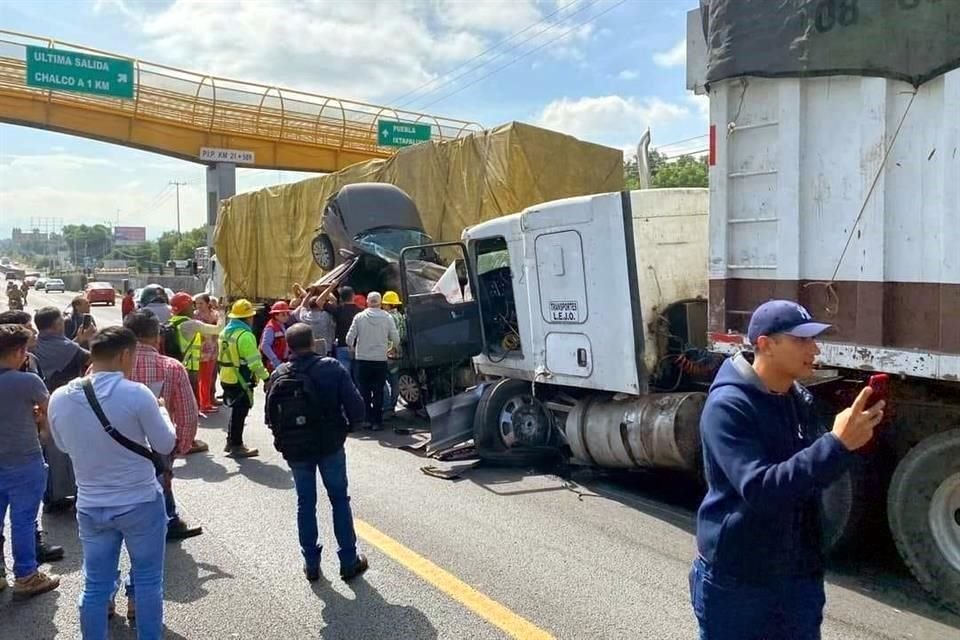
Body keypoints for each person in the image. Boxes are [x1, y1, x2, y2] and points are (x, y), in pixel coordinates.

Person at [691, 300, 886, 639]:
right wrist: (835, 444)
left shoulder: (796, 399)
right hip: (739, 580)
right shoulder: (727, 406)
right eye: (801, 340)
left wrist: (852, 443)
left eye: (814, 339)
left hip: (797, 577)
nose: (814, 348)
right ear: (766, 344)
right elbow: (761, 489)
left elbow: (807, 478)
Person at [48, 327, 175, 639]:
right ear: (124, 355)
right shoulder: (137, 394)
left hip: (91, 506)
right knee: (147, 581)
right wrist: (163, 411)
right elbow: (165, 443)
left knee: (95, 584)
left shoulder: (60, 397)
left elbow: (63, 446)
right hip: (140, 502)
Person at [264, 323, 368, 582]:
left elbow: (269, 418)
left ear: (288, 346)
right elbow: (356, 406)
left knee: (305, 503)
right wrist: (351, 427)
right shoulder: (331, 368)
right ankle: (348, 560)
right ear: (313, 342)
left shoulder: (279, 374)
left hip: (297, 450)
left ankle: (311, 563)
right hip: (329, 444)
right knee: (339, 500)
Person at [0, 324, 61, 600]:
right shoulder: (27, 382)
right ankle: (26, 575)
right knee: (23, 520)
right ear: (19, 352)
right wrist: (43, 429)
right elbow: (51, 411)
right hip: (24, 459)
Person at [31, 305, 94, 513]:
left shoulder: (31, 346)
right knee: (75, 450)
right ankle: (78, 494)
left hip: (39, 406)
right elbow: (92, 358)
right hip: (70, 404)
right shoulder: (69, 348)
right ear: (58, 324)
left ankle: (52, 496)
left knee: (48, 453)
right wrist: (88, 339)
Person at [218, 299, 270, 458]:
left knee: (235, 411)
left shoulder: (225, 331)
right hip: (241, 378)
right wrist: (266, 378)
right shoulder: (246, 335)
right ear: (248, 318)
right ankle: (237, 445)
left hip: (227, 377)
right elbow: (255, 362)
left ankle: (231, 441)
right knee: (240, 412)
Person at [345, 292, 399, 432]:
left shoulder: (359, 317)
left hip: (362, 359)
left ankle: (367, 419)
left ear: (368, 302)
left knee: (364, 391)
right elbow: (396, 338)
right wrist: (391, 348)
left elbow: (349, 338)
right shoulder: (387, 317)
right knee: (378, 390)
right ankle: (377, 422)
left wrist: (352, 348)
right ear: (380, 302)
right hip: (380, 359)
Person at [169, 292, 221, 431]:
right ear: (185, 308)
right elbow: (218, 329)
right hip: (190, 366)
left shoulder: (172, 322)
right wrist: (222, 313)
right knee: (191, 403)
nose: (194, 309)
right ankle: (189, 438)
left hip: (175, 365)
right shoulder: (191, 324)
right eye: (192, 306)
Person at [193, 293, 221, 412]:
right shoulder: (194, 315)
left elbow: (219, 329)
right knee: (201, 379)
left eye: (201, 303)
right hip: (199, 351)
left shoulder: (215, 314)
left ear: (207, 303)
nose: (198, 306)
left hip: (212, 350)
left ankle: (206, 402)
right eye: (196, 303)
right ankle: (203, 404)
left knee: (209, 378)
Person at [293, 284, 337, 357]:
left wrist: (310, 292)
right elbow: (334, 301)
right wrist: (326, 289)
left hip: (310, 349)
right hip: (326, 349)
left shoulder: (304, 316)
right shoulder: (326, 316)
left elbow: (303, 305)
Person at [381, 291, 406, 419]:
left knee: (383, 381)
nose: (383, 306)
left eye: (385, 304)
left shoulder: (387, 318)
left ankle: (387, 408)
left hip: (388, 352)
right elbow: (404, 334)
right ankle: (393, 406)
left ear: (389, 305)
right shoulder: (401, 316)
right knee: (395, 381)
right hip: (398, 352)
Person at [331, 286, 361, 378]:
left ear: (341, 297)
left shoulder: (338, 310)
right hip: (357, 348)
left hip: (342, 346)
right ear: (353, 296)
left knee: (344, 377)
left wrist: (330, 287)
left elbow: (319, 302)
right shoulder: (360, 312)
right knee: (358, 377)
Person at [260, 301, 291, 372]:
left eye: (287, 314)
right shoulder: (270, 328)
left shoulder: (282, 326)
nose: (286, 317)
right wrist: (276, 361)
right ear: (275, 315)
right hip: (275, 364)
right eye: (283, 315)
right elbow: (265, 346)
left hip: (283, 361)